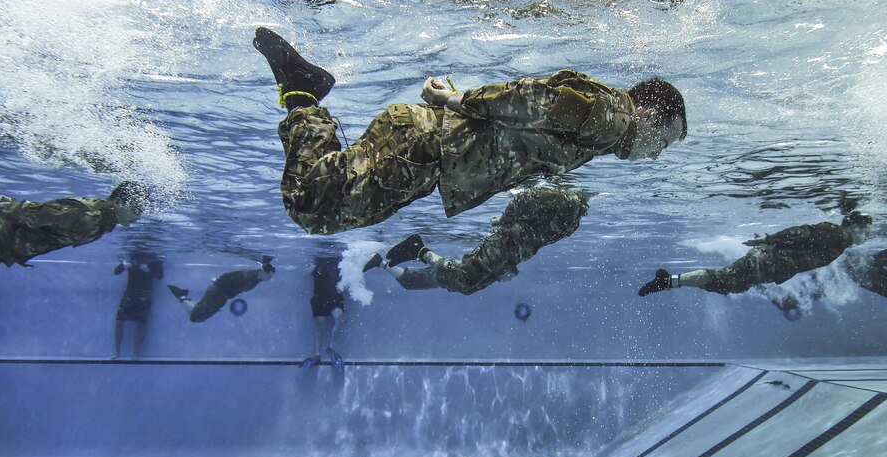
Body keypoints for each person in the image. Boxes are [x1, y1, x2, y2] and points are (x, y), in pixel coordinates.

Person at [253, 27, 686, 236]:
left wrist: (457, 102)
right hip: (425, 147)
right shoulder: (616, 120)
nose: (655, 155)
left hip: (430, 154)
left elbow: (529, 120)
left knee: (320, 205)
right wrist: (452, 102)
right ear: (651, 114)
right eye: (662, 143)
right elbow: (537, 99)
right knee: (311, 206)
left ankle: (302, 93)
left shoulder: (605, 132)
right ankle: (302, 91)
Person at [365, 186, 588, 295]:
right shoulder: (566, 201)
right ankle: (419, 250)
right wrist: (504, 220)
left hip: (513, 250)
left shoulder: (574, 217)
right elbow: (526, 198)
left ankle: (388, 261)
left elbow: (538, 231)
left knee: (463, 283)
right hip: (508, 242)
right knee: (465, 282)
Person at [638, 207, 873, 297]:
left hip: (768, 265)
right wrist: (770, 239)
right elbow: (802, 232)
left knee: (731, 285)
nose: (867, 236)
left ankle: (669, 281)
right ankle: (667, 281)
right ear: (854, 225)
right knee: (726, 280)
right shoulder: (836, 235)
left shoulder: (840, 243)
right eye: (866, 230)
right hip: (766, 261)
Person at [0, 182, 149, 280]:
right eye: (137, 209)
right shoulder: (86, 215)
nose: (139, 215)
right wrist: (7, 206)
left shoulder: (102, 222)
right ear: (119, 202)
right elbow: (33, 214)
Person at [168, 257, 275, 323]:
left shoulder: (254, 279)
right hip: (218, 293)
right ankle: (181, 296)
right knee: (196, 317)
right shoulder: (251, 277)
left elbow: (234, 282)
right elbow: (232, 279)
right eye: (268, 276)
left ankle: (182, 297)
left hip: (220, 295)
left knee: (198, 316)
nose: (269, 279)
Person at [113, 252, 164, 359]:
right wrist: (124, 264)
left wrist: (146, 269)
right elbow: (116, 272)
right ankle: (116, 352)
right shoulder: (132, 256)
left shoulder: (154, 258)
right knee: (119, 322)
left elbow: (159, 276)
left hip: (144, 293)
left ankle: (135, 353)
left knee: (141, 324)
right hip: (130, 292)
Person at [302, 254, 346, 371]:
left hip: (335, 298)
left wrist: (343, 286)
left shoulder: (339, 263)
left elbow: (347, 277)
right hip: (320, 298)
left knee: (339, 317)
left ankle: (331, 348)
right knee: (319, 323)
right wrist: (316, 265)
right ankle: (317, 355)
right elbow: (304, 274)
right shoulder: (317, 262)